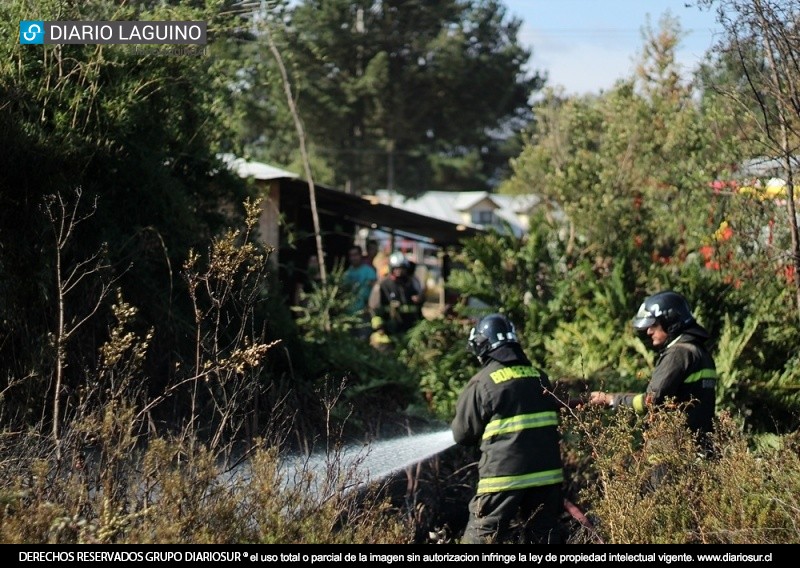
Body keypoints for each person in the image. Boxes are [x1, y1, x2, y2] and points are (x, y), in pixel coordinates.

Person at [451, 313, 565, 544]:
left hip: (502, 479)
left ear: (482, 346)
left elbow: (462, 434)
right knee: (543, 538)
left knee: (482, 536)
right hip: (547, 476)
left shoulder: (483, 382)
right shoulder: (539, 377)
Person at [589, 290, 717, 456]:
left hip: (674, 455)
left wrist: (612, 400)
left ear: (671, 322)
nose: (649, 332)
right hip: (699, 450)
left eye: (654, 325)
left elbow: (652, 400)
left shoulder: (678, 354)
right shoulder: (700, 352)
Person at [368, 252, 424, 337]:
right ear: (391, 268)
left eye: (402, 268)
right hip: (389, 331)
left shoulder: (412, 283)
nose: (399, 271)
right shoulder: (383, 285)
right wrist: (380, 328)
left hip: (411, 329)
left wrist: (420, 299)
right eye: (396, 268)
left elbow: (421, 302)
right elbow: (374, 308)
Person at [342, 245, 377, 339]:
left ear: (361, 255)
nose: (353, 258)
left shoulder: (369, 271)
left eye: (356, 254)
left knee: (363, 339)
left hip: (364, 314)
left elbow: (375, 291)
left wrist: (370, 306)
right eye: (351, 255)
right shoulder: (347, 273)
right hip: (349, 314)